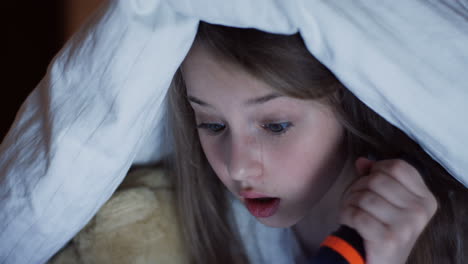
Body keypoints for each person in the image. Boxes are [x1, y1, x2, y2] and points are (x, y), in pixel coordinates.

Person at [166, 22, 468, 264]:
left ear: (346, 102)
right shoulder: (194, 222)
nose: (238, 168)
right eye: (213, 125)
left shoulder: (455, 235)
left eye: (276, 126)